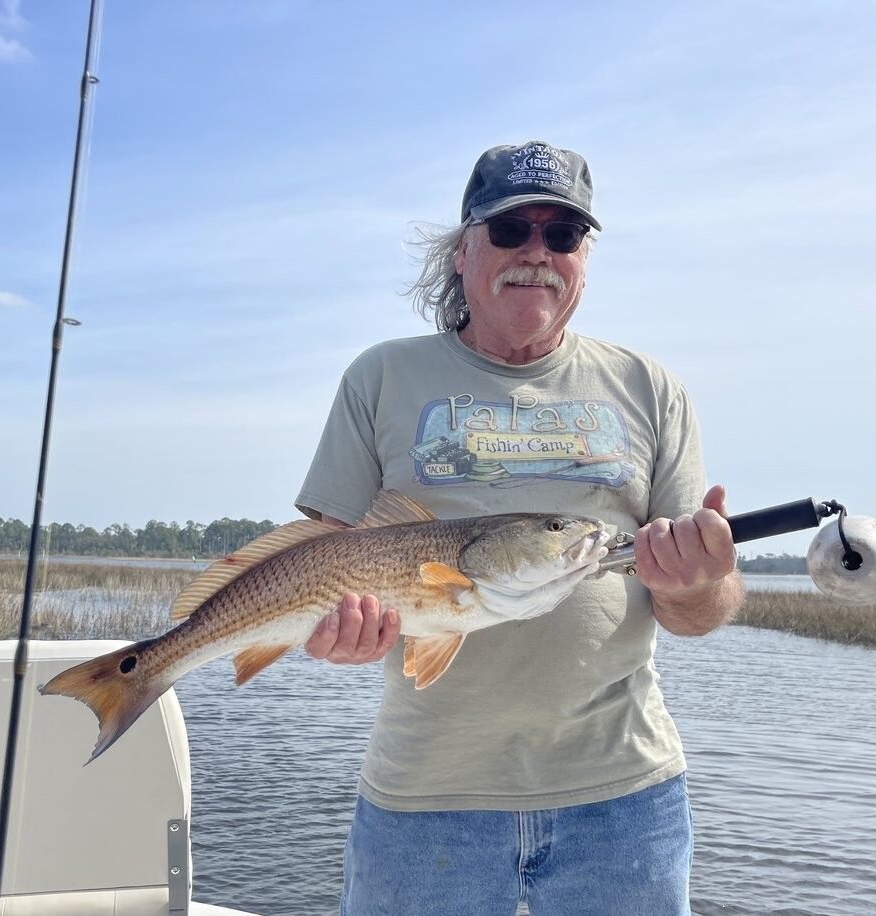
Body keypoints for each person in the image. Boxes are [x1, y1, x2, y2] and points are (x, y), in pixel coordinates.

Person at [294, 141, 744, 915]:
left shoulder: (650, 387)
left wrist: (700, 583)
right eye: (511, 230)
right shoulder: (381, 377)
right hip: (424, 800)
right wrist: (326, 634)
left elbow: (697, 613)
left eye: (563, 235)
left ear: (584, 257)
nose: (537, 252)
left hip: (624, 800)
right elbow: (313, 564)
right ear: (464, 249)